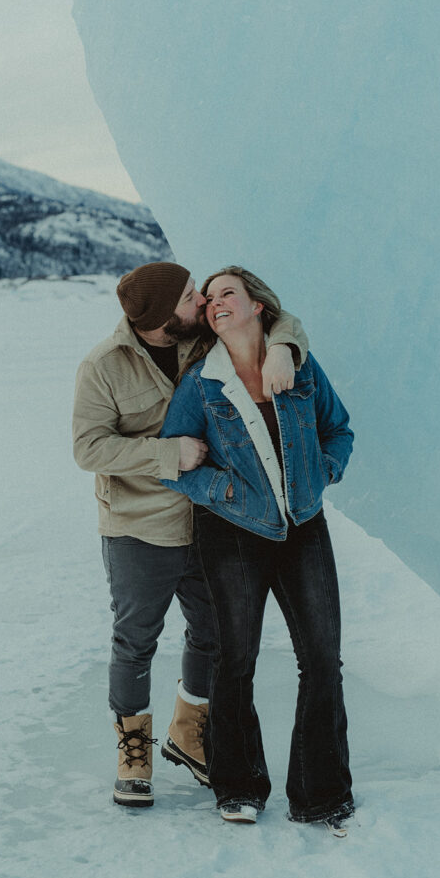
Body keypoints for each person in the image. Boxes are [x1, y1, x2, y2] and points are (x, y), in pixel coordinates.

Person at [72, 262, 309, 808]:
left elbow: (275, 316)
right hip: (139, 527)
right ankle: (134, 752)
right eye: (186, 298)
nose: (200, 301)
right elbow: (88, 449)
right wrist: (166, 454)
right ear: (158, 319)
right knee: (135, 641)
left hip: (209, 518)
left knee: (215, 633)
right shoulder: (103, 367)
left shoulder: (199, 337)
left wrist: (283, 349)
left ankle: (187, 731)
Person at [159, 266, 354, 831]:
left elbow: (338, 429)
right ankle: (238, 786)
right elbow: (174, 461)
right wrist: (217, 488)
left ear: (257, 307)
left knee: (322, 661)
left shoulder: (297, 364)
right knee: (235, 659)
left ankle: (321, 793)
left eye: (228, 294)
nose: (216, 303)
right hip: (232, 534)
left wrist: (324, 471)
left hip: (304, 526)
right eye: (211, 297)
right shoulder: (200, 383)